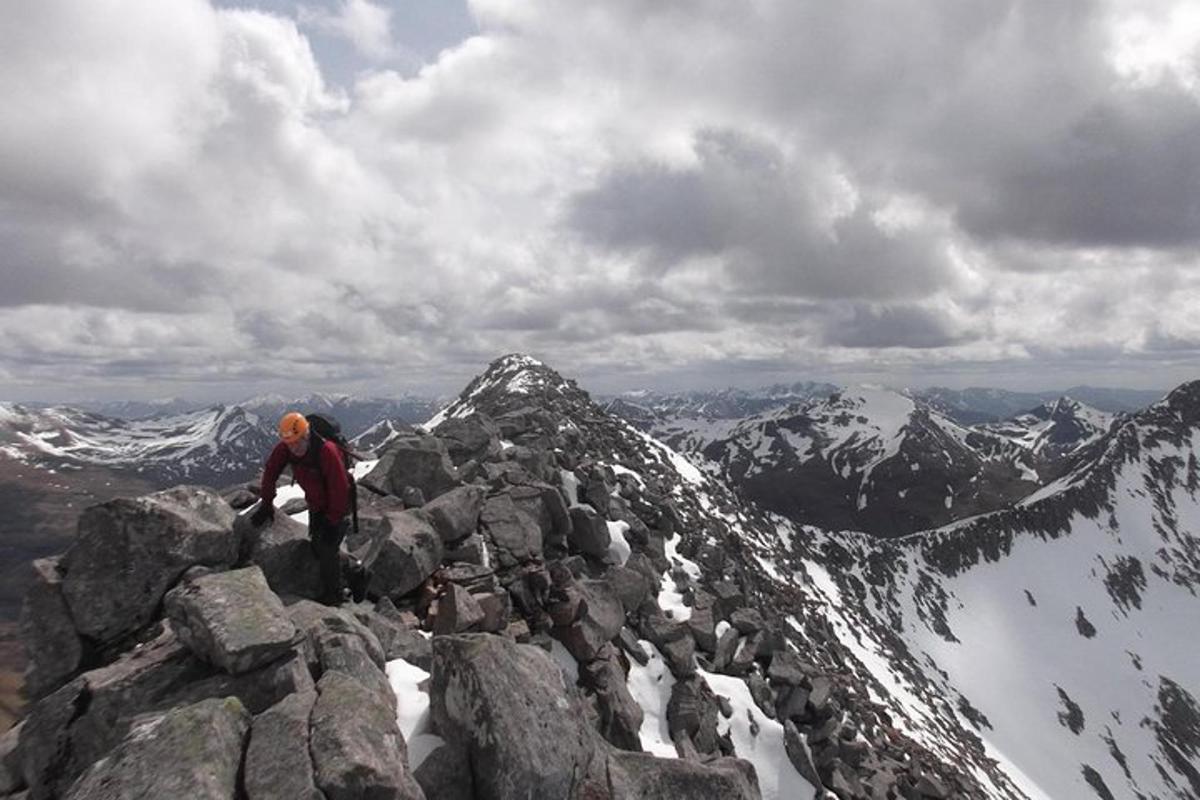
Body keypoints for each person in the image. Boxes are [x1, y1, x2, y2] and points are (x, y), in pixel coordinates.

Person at [251, 411, 351, 605]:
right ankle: (356, 571)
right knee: (317, 547)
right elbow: (270, 472)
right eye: (290, 444)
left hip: (336, 506)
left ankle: (335, 595)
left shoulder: (326, 451)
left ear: (307, 436)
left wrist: (333, 520)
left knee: (326, 548)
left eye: (297, 443)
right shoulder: (287, 447)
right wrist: (266, 503)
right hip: (316, 504)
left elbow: (340, 489)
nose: (294, 449)